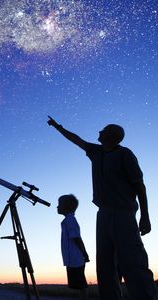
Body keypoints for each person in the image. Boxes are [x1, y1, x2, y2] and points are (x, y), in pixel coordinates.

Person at [47, 116, 157, 300]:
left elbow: (140, 186)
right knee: (105, 267)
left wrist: (145, 216)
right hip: (103, 215)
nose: (99, 132)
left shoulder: (125, 155)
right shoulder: (96, 152)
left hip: (124, 214)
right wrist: (58, 127)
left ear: (112, 136)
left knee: (133, 263)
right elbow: (77, 140)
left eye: (103, 130)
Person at [58, 194, 89, 300]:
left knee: (81, 284)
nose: (57, 207)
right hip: (73, 259)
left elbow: (76, 238)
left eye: (59, 204)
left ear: (66, 207)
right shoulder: (68, 220)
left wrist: (84, 253)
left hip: (75, 259)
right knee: (79, 284)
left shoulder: (70, 220)